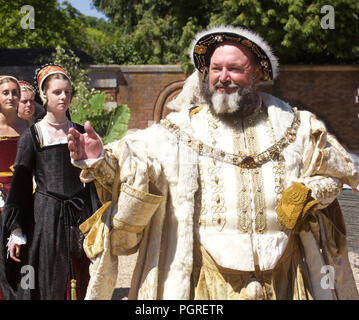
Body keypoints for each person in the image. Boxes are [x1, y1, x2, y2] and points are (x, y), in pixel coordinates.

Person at [68, 25, 359, 300]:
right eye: (216, 69)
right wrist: (98, 159)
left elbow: (335, 174)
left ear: (258, 72)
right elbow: (135, 167)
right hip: (207, 280)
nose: (223, 77)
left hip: (285, 275)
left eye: (234, 69)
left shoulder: (297, 127)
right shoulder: (179, 130)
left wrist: (310, 193)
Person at [0, 64, 98, 300]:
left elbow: (92, 181)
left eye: (67, 92)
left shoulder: (78, 132)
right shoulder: (32, 135)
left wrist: (96, 218)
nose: (63, 96)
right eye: (57, 92)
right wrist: (16, 229)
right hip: (45, 218)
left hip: (78, 216)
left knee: (81, 277)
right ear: (44, 95)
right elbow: (21, 185)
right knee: (47, 279)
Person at [0, 75, 27, 300]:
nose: (11, 97)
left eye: (14, 92)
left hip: (21, 196)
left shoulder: (27, 126)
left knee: (21, 256)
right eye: (5, 92)